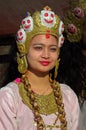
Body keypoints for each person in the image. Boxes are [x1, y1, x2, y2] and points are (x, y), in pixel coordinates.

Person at [0, 6, 82, 130]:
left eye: (53, 49)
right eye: (38, 48)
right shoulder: (10, 97)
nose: (46, 55)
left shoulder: (68, 96)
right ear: (24, 49)